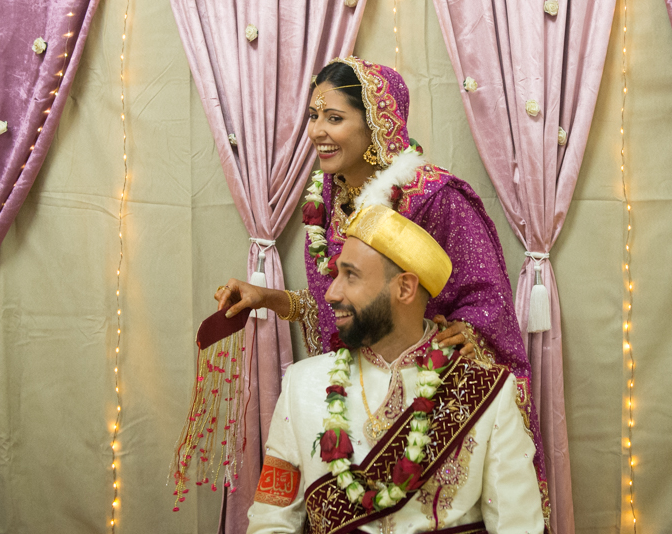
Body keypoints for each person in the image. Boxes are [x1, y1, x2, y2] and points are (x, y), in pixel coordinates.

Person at [216, 56, 550, 528]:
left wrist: (468, 334)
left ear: (377, 122)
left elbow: (488, 300)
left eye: (334, 118)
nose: (316, 132)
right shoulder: (327, 199)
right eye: (313, 116)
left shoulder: (436, 198)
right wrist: (269, 299)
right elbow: (343, 303)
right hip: (350, 382)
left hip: (434, 387)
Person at [245, 204, 545, 534]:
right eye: (335, 275)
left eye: (351, 276)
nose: (331, 293)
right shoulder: (302, 385)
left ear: (404, 288)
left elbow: (519, 527)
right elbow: (269, 523)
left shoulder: (486, 390)